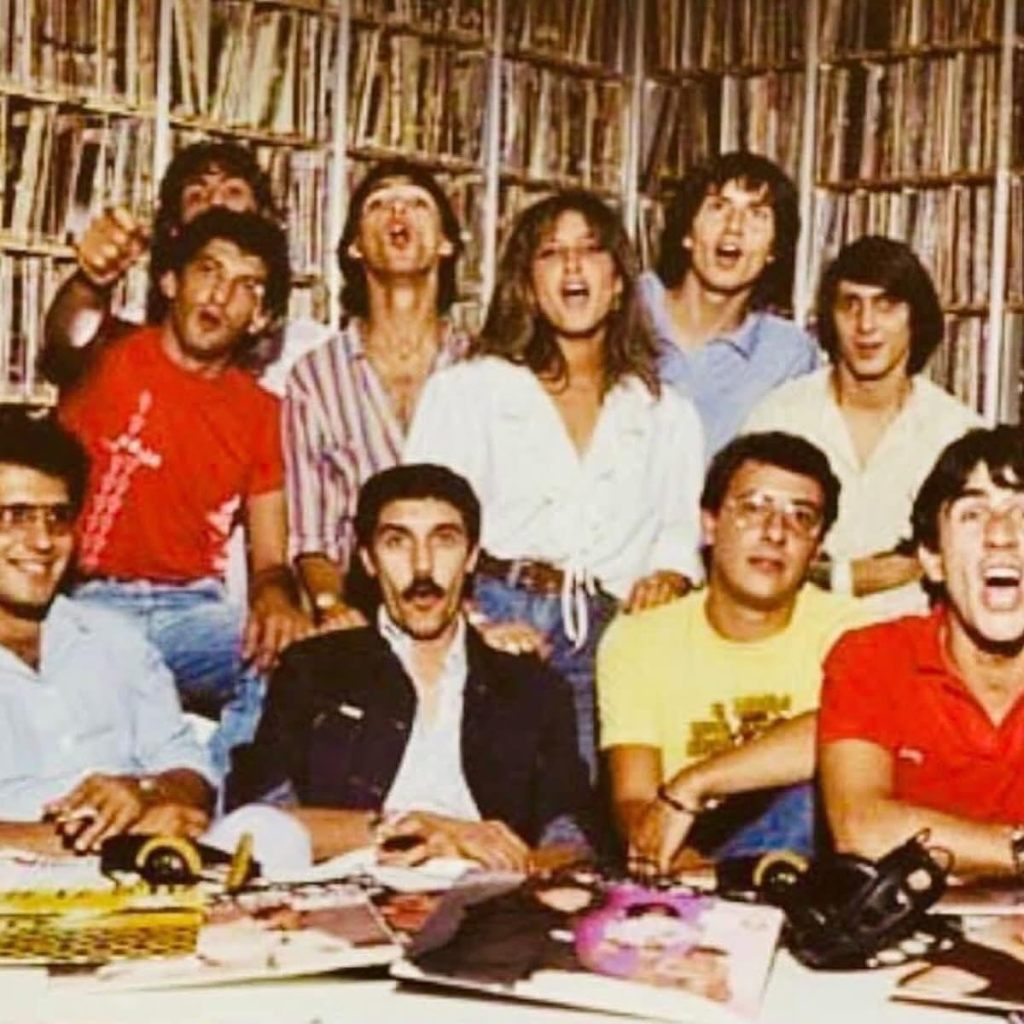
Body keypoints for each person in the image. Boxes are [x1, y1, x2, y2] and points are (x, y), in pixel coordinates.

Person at [405, 190, 706, 776]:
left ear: (618, 283)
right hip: (493, 613)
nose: (572, 267)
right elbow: (419, 525)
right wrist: (474, 625)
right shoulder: (469, 390)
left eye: (590, 250)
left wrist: (668, 577)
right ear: (526, 284)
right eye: (551, 253)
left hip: (614, 631)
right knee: (485, 791)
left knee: (583, 802)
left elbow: (678, 534)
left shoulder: (666, 412)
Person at [50, 208, 312, 777]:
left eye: (247, 285)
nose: (221, 294)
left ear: (261, 318)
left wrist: (276, 597)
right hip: (88, 604)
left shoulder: (263, 413)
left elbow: (270, 556)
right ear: (170, 281)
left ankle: (212, 795)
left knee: (297, 658)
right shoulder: (109, 351)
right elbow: (67, 332)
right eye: (208, 270)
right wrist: (92, 279)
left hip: (192, 610)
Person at [228, 464, 593, 871]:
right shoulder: (315, 670)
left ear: (472, 557)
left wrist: (525, 869)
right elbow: (257, 823)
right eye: (397, 543)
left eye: (444, 541)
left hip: (490, 897)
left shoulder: (531, 688)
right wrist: (423, 829)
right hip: (351, 894)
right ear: (368, 560)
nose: (422, 567)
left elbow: (572, 838)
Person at [599, 432, 866, 872]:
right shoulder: (639, 638)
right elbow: (634, 798)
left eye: (801, 517)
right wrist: (682, 863)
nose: (776, 533)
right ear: (710, 524)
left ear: (817, 546)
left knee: (816, 792)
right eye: (754, 508)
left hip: (817, 860)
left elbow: (848, 728)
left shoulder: (855, 630)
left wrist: (694, 783)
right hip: (690, 849)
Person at [0, 411, 213, 855]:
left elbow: (191, 770)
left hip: (139, 882)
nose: (43, 541)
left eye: (58, 517)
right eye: (16, 516)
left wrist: (146, 792)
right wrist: (112, 843)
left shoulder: (115, 641)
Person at [819, 426, 1024, 877]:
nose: (1001, 534)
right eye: (973, 514)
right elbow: (862, 827)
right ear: (933, 559)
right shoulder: (873, 656)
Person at [744, 235, 981, 614]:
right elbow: (743, 547)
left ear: (915, 318)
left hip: (915, 636)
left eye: (886, 305)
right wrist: (851, 576)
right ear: (830, 318)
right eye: (850, 305)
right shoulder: (780, 417)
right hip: (795, 630)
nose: (866, 325)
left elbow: (974, 559)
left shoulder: (956, 433)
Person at [283, 160, 469, 629]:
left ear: (446, 243)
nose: (398, 212)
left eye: (418, 204)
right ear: (355, 246)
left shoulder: (486, 368)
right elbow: (311, 538)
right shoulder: (315, 377)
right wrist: (332, 608)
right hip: (362, 603)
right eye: (379, 204)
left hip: (470, 604)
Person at [41, 139, 330, 394]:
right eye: (197, 195)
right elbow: (64, 351)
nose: (216, 203)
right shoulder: (133, 334)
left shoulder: (308, 353)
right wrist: (91, 281)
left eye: (233, 192)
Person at [641, 151, 818, 458]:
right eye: (718, 207)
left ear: (774, 250)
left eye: (757, 214)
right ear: (687, 233)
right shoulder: (625, 306)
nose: (734, 227)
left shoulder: (788, 355)